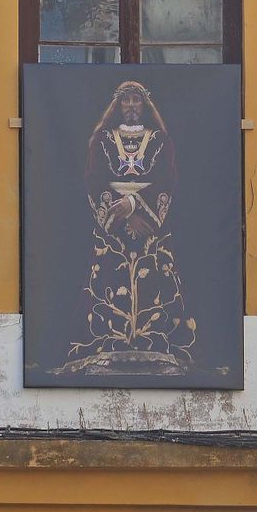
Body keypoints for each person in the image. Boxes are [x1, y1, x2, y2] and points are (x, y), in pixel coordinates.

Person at [57, 80, 195, 376]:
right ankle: (107, 347)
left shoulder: (159, 140)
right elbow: (93, 178)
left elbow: (166, 178)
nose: (131, 106)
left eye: (136, 101)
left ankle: (157, 348)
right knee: (109, 277)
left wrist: (135, 206)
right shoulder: (103, 140)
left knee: (154, 280)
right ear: (118, 106)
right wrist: (120, 212)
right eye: (126, 101)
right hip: (114, 227)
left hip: (149, 228)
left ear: (144, 106)